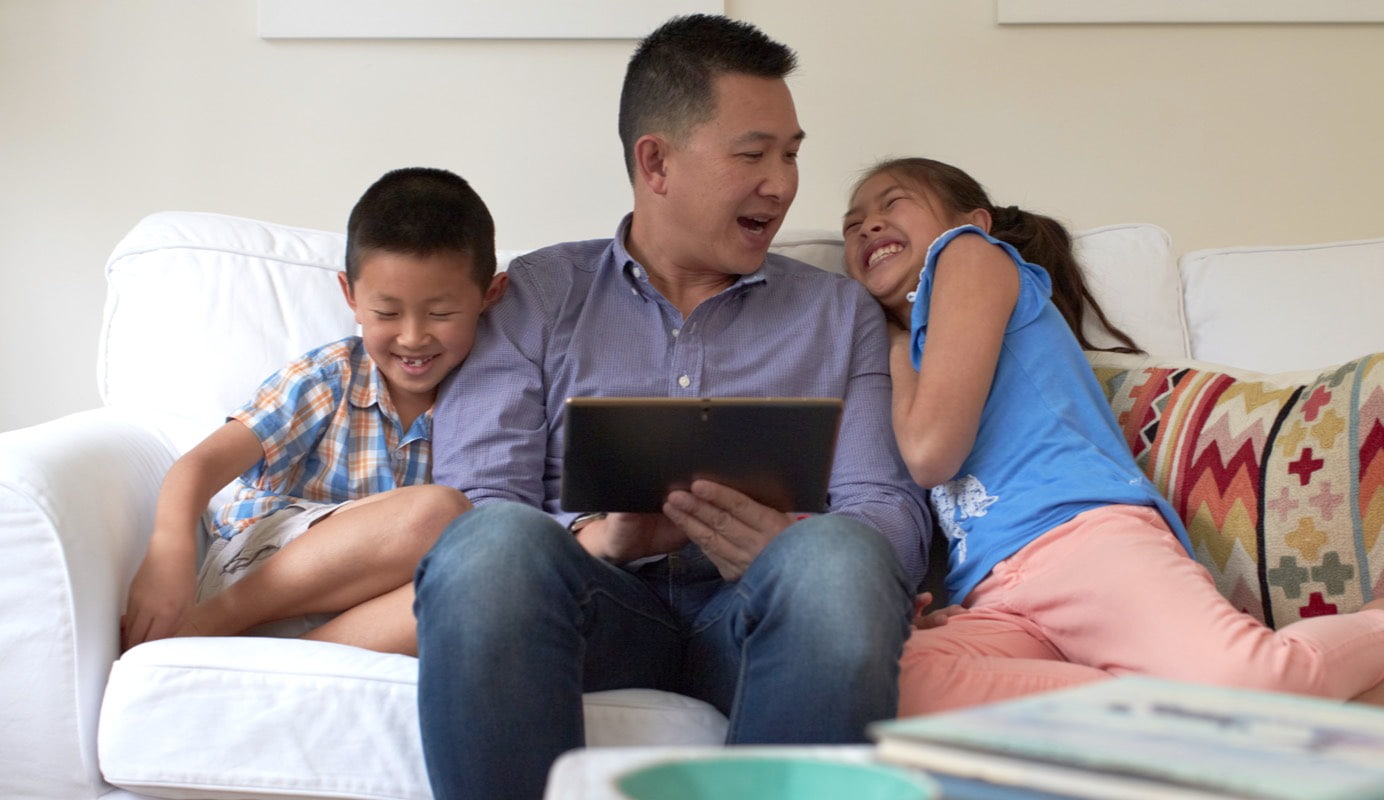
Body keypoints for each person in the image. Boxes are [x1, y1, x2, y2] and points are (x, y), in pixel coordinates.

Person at [414, 15, 932, 800]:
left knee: (839, 560)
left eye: (791, 156)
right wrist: (601, 539)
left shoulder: (839, 313)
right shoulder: (538, 296)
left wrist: (787, 544)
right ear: (655, 162)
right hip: (597, 610)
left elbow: (889, 509)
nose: (784, 184)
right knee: (488, 548)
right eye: (753, 154)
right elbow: (479, 500)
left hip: (757, 614)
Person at [841, 156, 1384, 716]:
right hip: (992, 597)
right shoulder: (912, 347)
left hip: (1085, 544)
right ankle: (1199, 716)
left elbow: (932, 453)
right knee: (875, 681)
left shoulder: (968, 255)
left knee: (1243, 677)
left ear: (973, 220)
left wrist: (885, 340)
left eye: (892, 202)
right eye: (852, 223)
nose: (867, 226)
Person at [120, 167, 507, 656]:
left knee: (481, 584)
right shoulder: (331, 377)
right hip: (260, 576)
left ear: (489, 296)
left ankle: (284, 666)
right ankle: (200, 633)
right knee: (440, 513)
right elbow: (199, 466)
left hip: (358, 620)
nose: (412, 336)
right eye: (387, 313)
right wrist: (167, 551)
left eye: (441, 314)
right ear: (350, 296)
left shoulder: (495, 402)